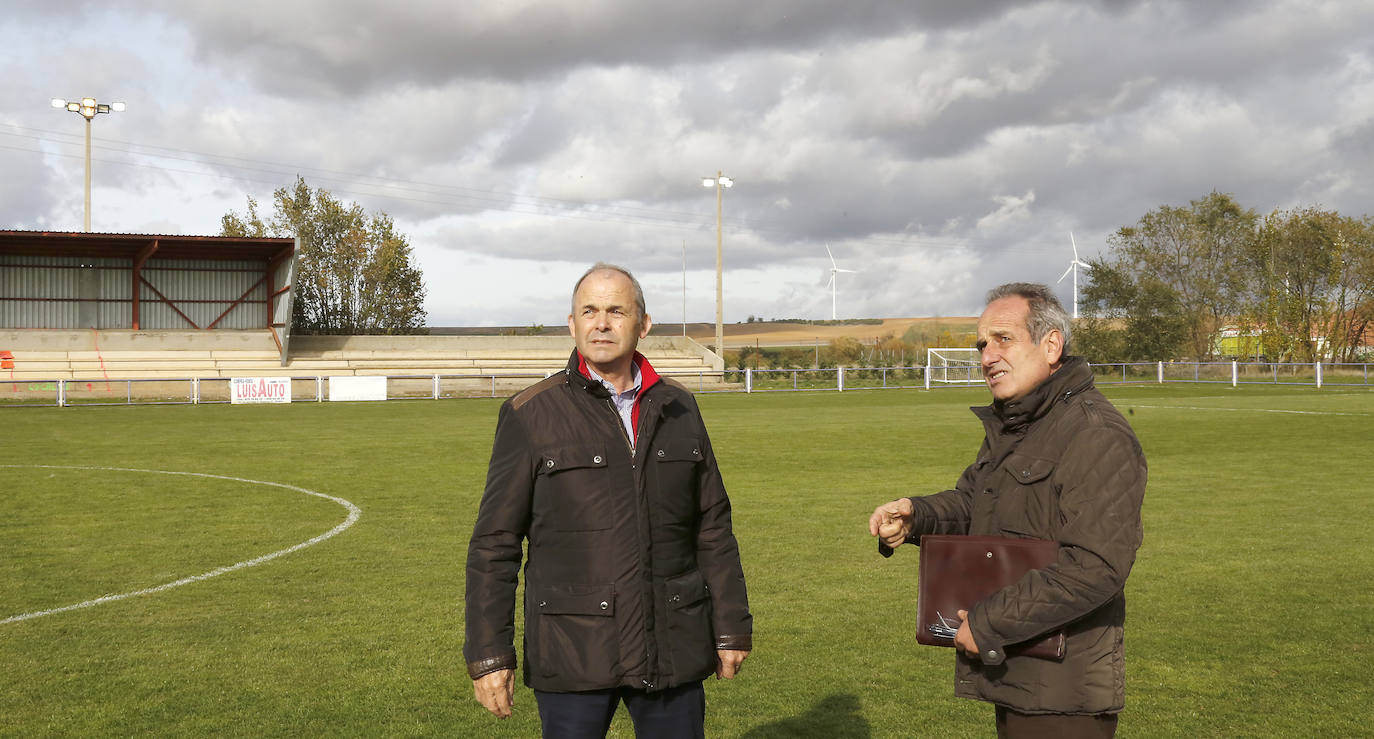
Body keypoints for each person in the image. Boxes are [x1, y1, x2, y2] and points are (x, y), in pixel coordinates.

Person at [464, 263, 752, 739]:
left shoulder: (679, 406)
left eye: (616, 311)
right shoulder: (530, 413)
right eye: (589, 311)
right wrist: (489, 655)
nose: (601, 323)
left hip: (671, 645)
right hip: (573, 651)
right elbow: (495, 543)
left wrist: (731, 626)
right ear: (572, 323)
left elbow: (712, 526)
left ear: (643, 323)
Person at [868, 283, 1146, 739]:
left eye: (1003, 339)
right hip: (1021, 673)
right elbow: (975, 503)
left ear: (1051, 345)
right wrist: (917, 515)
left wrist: (989, 622)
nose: (987, 356)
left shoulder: (1095, 434)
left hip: (1063, 695)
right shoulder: (1019, 425)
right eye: (982, 344)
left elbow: (1096, 566)